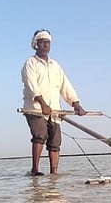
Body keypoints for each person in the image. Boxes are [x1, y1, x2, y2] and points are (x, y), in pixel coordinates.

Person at [21, 29, 87, 176]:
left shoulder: (55, 65)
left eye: (48, 42)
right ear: (36, 44)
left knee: (55, 142)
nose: (45, 45)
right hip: (36, 108)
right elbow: (32, 86)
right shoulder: (30, 63)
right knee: (40, 136)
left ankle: (54, 174)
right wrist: (43, 103)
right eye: (42, 42)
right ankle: (35, 170)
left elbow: (65, 85)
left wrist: (75, 103)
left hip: (55, 110)